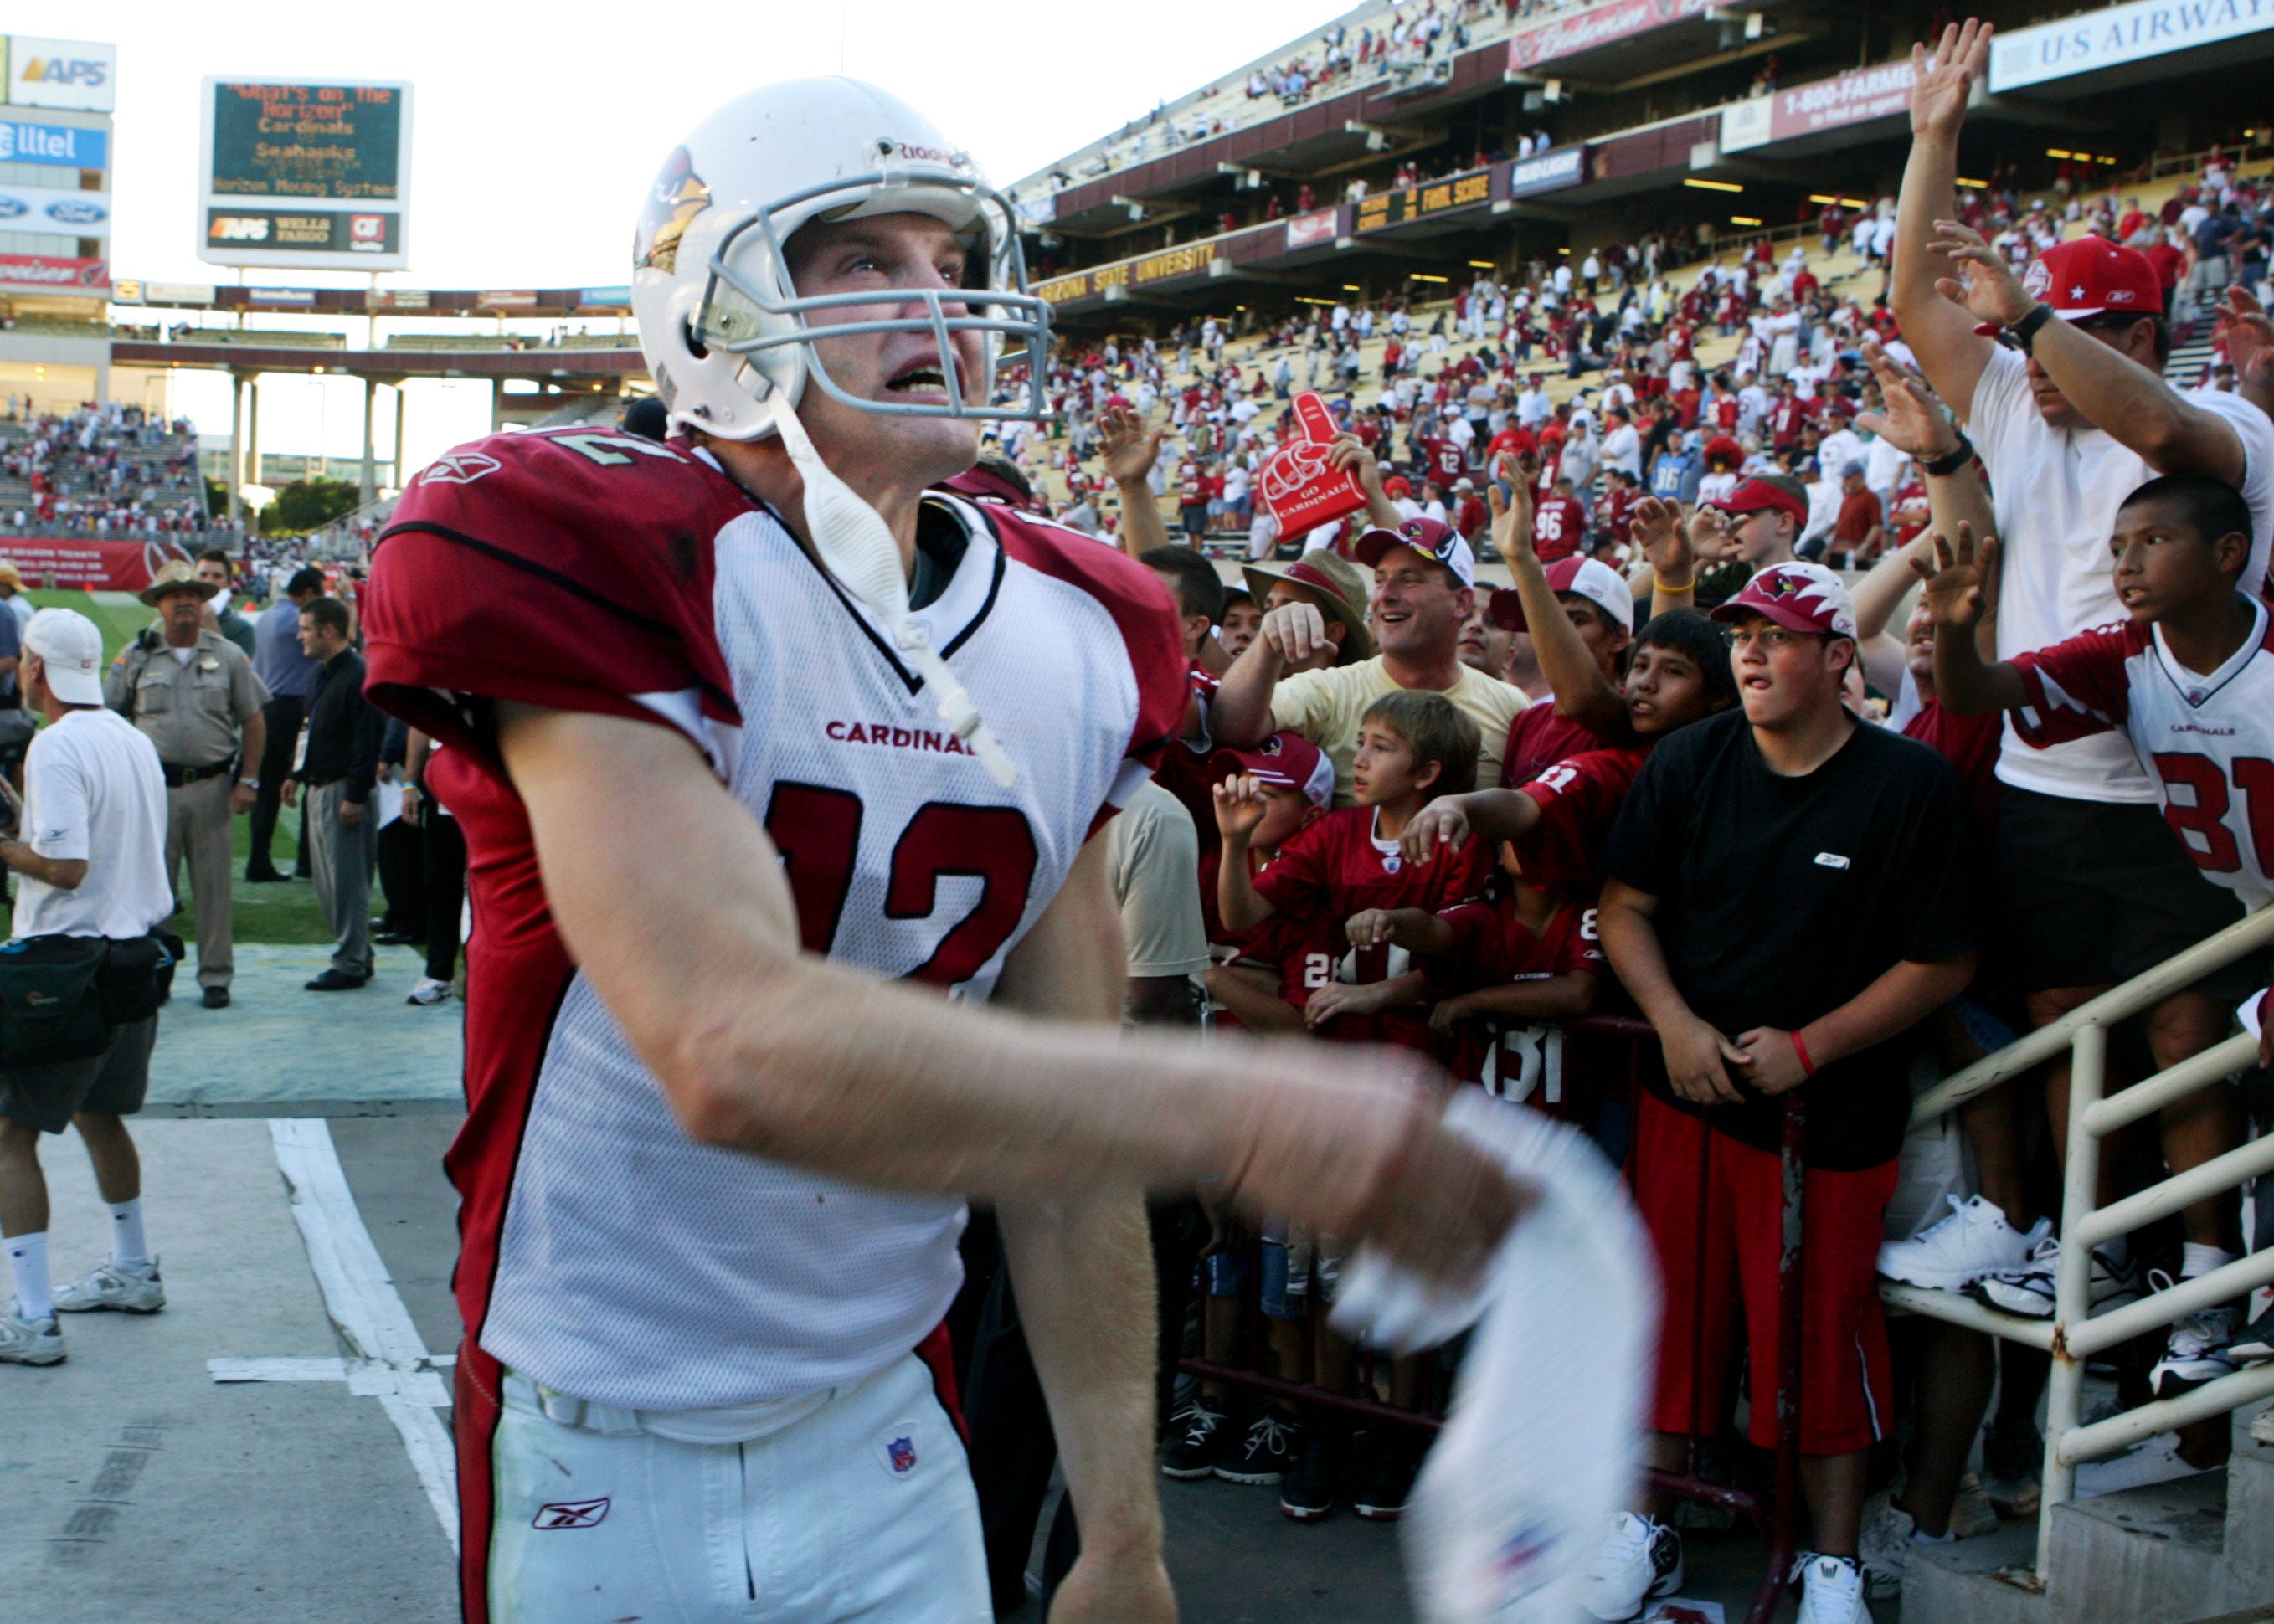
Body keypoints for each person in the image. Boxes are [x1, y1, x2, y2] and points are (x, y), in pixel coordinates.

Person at [360, 79, 1525, 1624]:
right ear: (708, 316)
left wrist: (1122, 1531)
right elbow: (727, 1046)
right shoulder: (582, 536)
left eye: (953, 260)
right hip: (598, 1427)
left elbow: (1065, 1137)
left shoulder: (1079, 626)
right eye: (861, 262)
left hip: (890, 1434)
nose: (942, 305)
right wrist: (1238, 1103)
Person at [1894, 19, 2274, 1343]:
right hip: (2043, 786)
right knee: (2057, 1022)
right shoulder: (2011, 408)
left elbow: (2164, 427)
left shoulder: (2215, 431)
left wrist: (2039, 322)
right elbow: (1914, 306)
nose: (2034, 366)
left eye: (2080, 329)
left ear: (2136, 330)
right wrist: (1933, 137)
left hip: (2176, 790)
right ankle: (2079, 1247)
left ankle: (2203, 1286)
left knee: (2181, 1036)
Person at [1590, 562, 1978, 1624]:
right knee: (1667, 1320)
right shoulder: (1687, 761)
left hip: (1830, 1116)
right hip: (1687, 1096)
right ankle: (1648, 1524)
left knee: (1818, 1333)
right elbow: (1623, 907)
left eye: (1779, 635)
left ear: (1839, 656)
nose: (1751, 653)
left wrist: (1815, 1044)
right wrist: (1673, 1023)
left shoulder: (1907, 785)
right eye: (1742, 636)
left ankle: (1831, 1560)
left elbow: (1942, 961)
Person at [1918, 475, 2270, 1425]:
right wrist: (1957, 628)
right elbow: (1983, 692)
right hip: (2232, 901)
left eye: (2152, 541)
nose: (2125, 564)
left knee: (2214, 1040)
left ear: (2229, 555)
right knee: (2178, 1023)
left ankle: (2228, 1286)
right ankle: (2186, 1279)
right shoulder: (2125, 655)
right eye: (2117, 545)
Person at [0, 609, 173, 1366]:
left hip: (68, 971)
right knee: (103, 1117)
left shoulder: (56, 744)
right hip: (135, 960)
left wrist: (4, 846)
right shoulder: (130, 737)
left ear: (35, 668)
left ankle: (32, 1320)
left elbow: (65, 869)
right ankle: (133, 1269)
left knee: (10, 1137)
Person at [1212, 513, 1525, 802]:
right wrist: (1266, 644)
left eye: (1408, 579)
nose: (1385, 594)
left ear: (1461, 603)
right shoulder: (1330, 690)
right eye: (1379, 579)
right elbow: (1230, 728)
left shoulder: (1511, 707)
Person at [104, 560, 269, 1011]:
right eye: (174, 595)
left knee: (213, 888)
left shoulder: (229, 655)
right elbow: (107, 717)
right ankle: (158, 972)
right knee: (155, 889)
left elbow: (254, 720)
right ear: (158, 603)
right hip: (151, 791)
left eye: (193, 595)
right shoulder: (134, 656)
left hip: (212, 787)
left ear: (203, 603)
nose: (185, 602)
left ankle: (216, 977)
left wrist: (248, 780)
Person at [286, 596, 383, 992]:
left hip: (343, 790)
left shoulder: (357, 675)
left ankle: (350, 962)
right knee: (329, 884)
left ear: (329, 631)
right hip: (320, 787)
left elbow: (368, 740)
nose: (300, 636)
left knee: (347, 883)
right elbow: (309, 731)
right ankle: (359, 953)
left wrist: (356, 794)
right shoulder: (323, 674)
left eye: (306, 628)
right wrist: (296, 773)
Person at [247, 568, 325, 883]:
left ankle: (258, 858)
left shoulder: (267, 616)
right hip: (295, 708)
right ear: (307, 594)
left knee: (267, 786)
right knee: (312, 780)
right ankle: (307, 860)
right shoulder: (299, 621)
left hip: (268, 706)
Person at [194, 550, 259, 659]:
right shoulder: (183, 619)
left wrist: (212, 627)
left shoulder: (242, 630)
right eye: (203, 575)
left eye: (217, 576)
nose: (209, 581)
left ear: (229, 583)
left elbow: (241, 673)